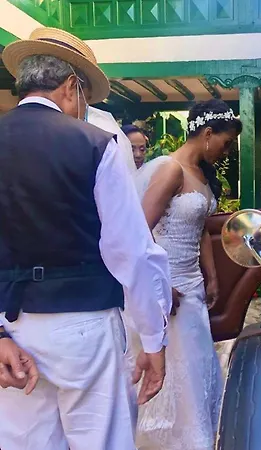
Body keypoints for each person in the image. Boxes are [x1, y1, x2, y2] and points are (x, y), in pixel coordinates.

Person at [0, 27, 172, 450]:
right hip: (84, 328)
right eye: (87, 98)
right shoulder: (95, 144)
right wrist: (153, 338)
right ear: (71, 86)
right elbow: (132, 253)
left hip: (12, 326)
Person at [128, 99, 242, 450]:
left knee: (195, 369)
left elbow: (200, 227)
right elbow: (138, 230)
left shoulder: (200, 173)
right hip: (170, 287)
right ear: (207, 134)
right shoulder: (171, 170)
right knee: (177, 367)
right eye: (225, 143)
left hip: (192, 285)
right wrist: (160, 284)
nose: (226, 152)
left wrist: (212, 275)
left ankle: (197, 436)